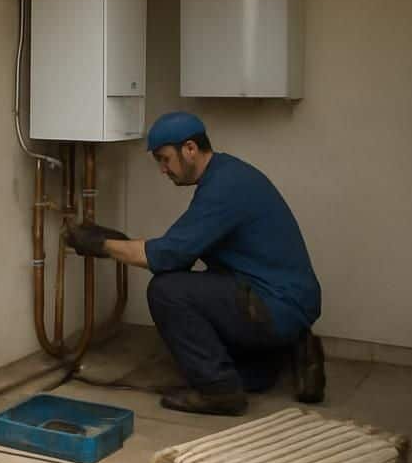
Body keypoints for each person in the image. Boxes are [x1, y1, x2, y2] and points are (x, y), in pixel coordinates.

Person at [67, 111, 325, 416]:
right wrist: (121, 242)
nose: (163, 170)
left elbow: (167, 256)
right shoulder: (228, 174)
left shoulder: (223, 188)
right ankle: (289, 350)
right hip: (283, 299)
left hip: (275, 303)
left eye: (164, 159)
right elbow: (179, 248)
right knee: (252, 378)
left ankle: (219, 392)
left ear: (189, 148)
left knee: (167, 290)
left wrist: (99, 245)